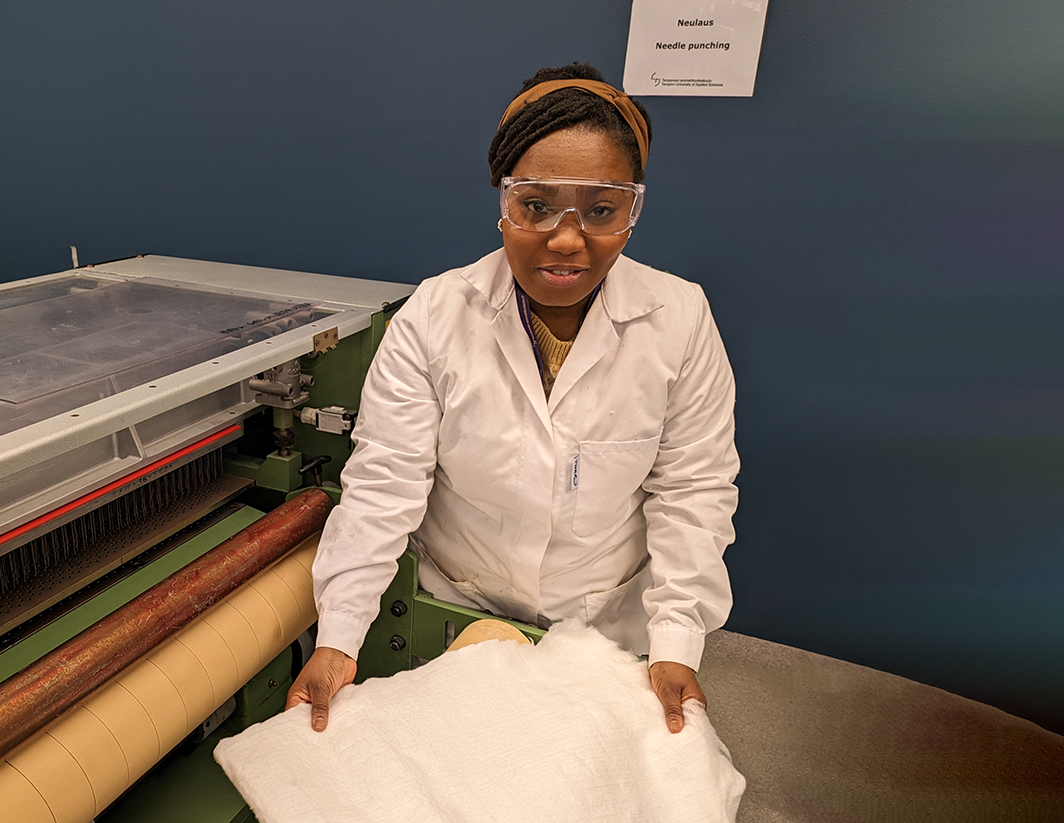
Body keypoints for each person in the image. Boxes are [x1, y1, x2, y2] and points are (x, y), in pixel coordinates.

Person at [285, 63, 739, 735]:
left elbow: (692, 492)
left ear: (632, 209)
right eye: (536, 205)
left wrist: (676, 642)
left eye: (601, 209)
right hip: (456, 622)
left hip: (605, 637)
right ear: (503, 203)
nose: (565, 237)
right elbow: (385, 484)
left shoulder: (679, 317)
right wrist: (341, 635)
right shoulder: (436, 315)